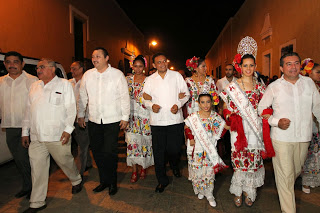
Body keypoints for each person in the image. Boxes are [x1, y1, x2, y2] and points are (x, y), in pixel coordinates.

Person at [258, 52, 320, 213]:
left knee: (295, 171)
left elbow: (318, 108)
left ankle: (283, 187)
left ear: (301, 65)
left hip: (304, 137)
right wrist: (276, 122)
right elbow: (261, 109)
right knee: (286, 176)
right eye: (289, 64)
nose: (293, 67)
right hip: (281, 138)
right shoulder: (274, 87)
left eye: (296, 63)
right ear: (281, 68)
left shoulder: (309, 84)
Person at [21, 58, 82, 213]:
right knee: (38, 170)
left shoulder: (64, 84)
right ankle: (37, 202)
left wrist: (68, 130)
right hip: (36, 137)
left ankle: (76, 179)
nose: (38, 70)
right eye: (37, 68)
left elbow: (71, 108)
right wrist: (25, 132)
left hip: (57, 135)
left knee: (65, 162)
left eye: (41, 67)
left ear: (52, 69)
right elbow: (28, 111)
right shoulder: (34, 86)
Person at [220, 36, 271, 207]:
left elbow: (266, 107)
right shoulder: (233, 86)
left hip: (255, 129)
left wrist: (265, 113)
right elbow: (225, 106)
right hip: (238, 129)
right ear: (239, 67)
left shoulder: (261, 86)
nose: (248, 68)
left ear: (255, 67)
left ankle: (250, 191)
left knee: (254, 160)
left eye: (251, 65)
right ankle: (239, 190)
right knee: (239, 160)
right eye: (245, 65)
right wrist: (228, 115)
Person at [78, 47, 130, 195]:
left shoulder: (117, 75)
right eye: (93, 56)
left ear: (107, 58)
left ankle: (112, 182)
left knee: (110, 153)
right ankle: (104, 181)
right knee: (97, 152)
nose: (95, 59)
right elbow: (82, 96)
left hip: (112, 120)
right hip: (94, 120)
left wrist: (125, 117)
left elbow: (124, 97)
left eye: (98, 56)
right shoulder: (88, 75)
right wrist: (81, 115)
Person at [143, 53, 190, 193]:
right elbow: (144, 97)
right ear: (153, 65)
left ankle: (175, 165)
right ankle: (161, 180)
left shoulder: (176, 76)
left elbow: (186, 94)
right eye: (159, 62)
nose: (162, 64)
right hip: (157, 121)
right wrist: (151, 105)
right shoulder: (150, 79)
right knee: (159, 153)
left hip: (175, 120)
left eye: (164, 61)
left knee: (174, 149)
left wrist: (178, 104)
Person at [0, 51, 38, 199]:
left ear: (22, 64)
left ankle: (32, 188)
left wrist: (28, 130)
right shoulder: (1, 82)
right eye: (8, 62)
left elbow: (36, 104)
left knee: (24, 159)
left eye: (15, 62)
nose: (12, 65)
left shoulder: (32, 80)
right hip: (9, 126)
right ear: (4, 64)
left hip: (26, 127)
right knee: (19, 159)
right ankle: (29, 186)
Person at [184, 93, 227, 207]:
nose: (206, 105)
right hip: (197, 149)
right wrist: (191, 138)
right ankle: (200, 190)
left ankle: (209, 194)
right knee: (197, 171)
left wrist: (233, 119)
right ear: (198, 103)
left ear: (212, 103)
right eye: (202, 102)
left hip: (209, 149)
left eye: (208, 102)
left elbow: (223, 128)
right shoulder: (193, 116)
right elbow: (186, 127)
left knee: (209, 172)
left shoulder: (215, 116)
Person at [125, 55, 153, 183]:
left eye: (140, 66)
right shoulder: (127, 80)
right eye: (135, 66)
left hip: (145, 116)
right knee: (132, 143)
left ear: (144, 67)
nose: (137, 69)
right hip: (131, 117)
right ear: (132, 66)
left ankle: (143, 168)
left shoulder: (149, 80)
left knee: (144, 143)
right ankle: (134, 170)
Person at [69, 61, 93, 177]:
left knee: (82, 146)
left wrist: (81, 116)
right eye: (71, 68)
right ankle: (88, 163)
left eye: (75, 68)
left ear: (81, 69)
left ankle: (79, 173)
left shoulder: (88, 82)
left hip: (84, 119)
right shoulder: (69, 83)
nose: (72, 71)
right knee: (81, 143)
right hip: (71, 120)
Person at [300, 59, 320, 193]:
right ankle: (305, 181)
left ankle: (313, 178)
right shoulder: (304, 88)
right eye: (318, 72)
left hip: (317, 126)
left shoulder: (318, 87)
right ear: (309, 72)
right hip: (307, 126)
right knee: (307, 154)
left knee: (316, 153)